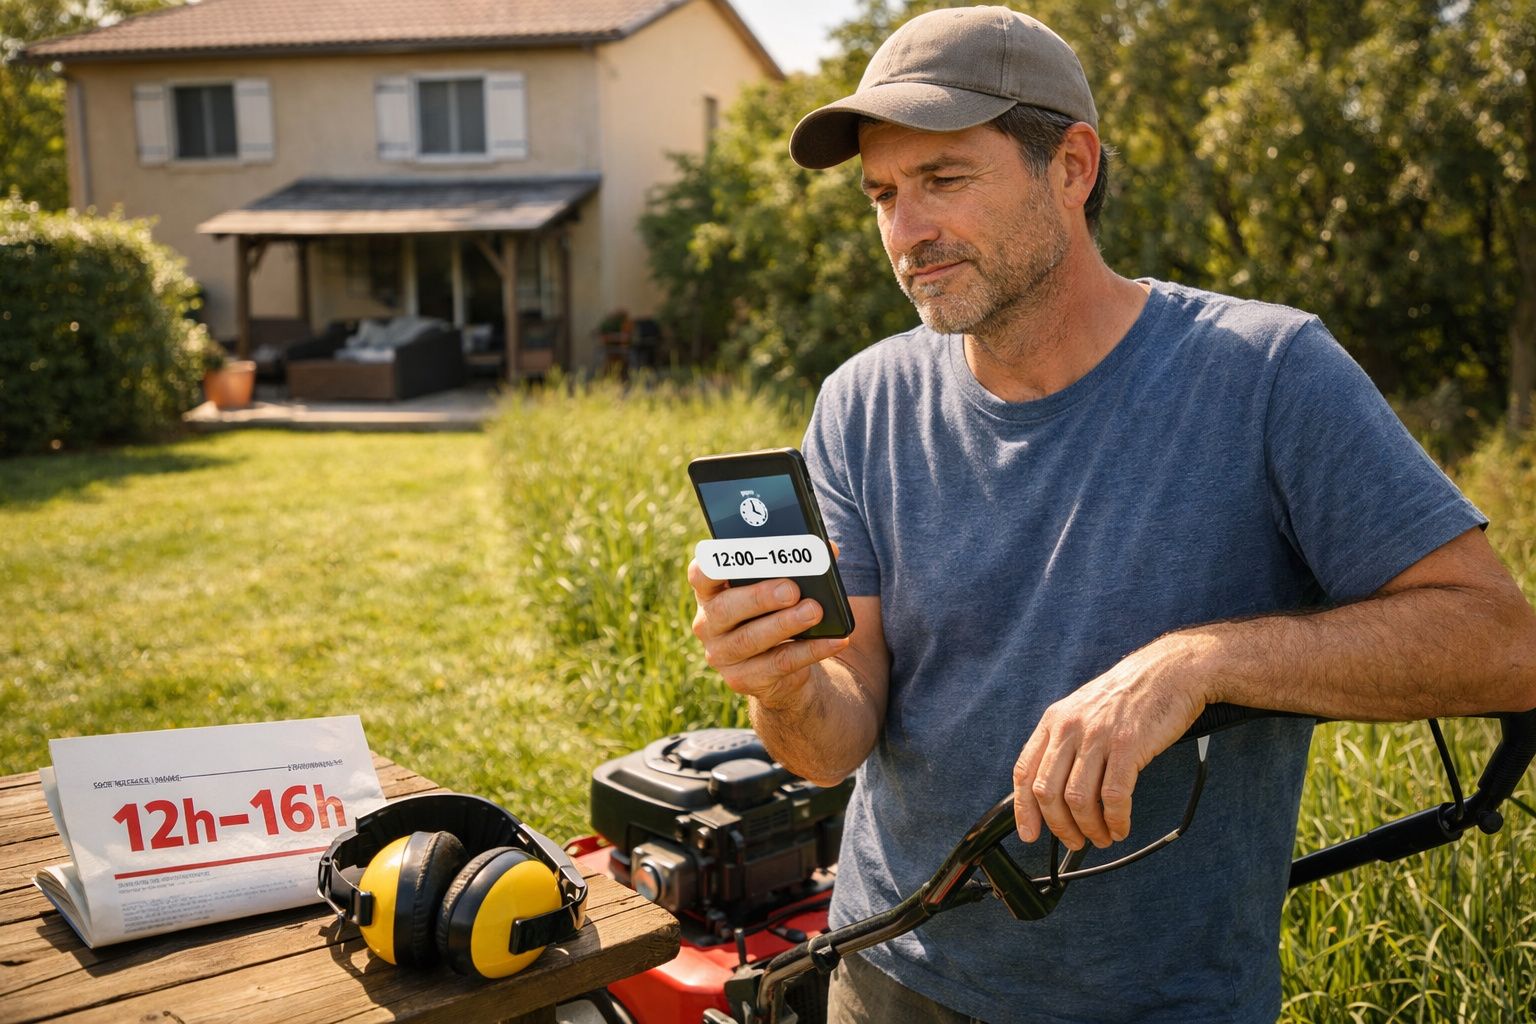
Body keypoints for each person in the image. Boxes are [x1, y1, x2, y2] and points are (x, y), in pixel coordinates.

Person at [687, 6, 1536, 1022]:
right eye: (884, 194)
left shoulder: (1266, 374)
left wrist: (1195, 663)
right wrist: (781, 684)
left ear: (1073, 167)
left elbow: (1502, 644)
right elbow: (833, 742)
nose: (906, 232)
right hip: (886, 973)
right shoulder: (860, 402)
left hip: (1162, 1001)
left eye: (944, 179)